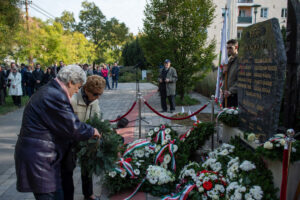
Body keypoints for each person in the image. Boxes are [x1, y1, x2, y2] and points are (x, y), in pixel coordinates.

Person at [14, 65, 101, 200]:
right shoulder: (55, 95)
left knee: (59, 194)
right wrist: (92, 131)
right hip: (40, 158)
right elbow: (72, 126)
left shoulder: (50, 90)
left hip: (44, 156)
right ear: (70, 82)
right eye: (77, 87)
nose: (76, 91)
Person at [62, 75, 106, 200]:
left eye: (100, 95)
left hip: (87, 137)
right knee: (68, 169)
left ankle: (88, 194)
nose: (98, 97)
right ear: (86, 90)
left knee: (87, 167)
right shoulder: (73, 100)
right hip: (71, 139)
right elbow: (68, 124)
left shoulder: (95, 101)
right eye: (96, 94)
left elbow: (97, 119)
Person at [222, 39, 239, 108]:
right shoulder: (228, 60)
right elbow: (225, 77)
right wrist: (223, 72)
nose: (228, 50)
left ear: (236, 47)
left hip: (234, 96)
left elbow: (241, 80)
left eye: (230, 48)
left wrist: (231, 91)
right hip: (226, 94)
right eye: (227, 48)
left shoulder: (241, 60)